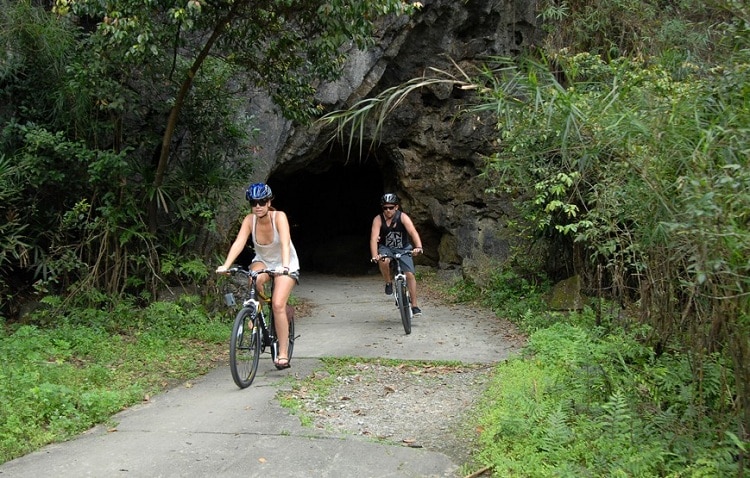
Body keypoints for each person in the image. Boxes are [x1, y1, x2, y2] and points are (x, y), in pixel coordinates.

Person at [216, 182, 300, 369]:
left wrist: (285, 267)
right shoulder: (249, 220)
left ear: (269, 201)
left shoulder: (279, 217)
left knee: (278, 304)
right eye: (254, 203)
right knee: (253, 277)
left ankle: (283, 352)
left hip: (286, 262)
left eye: (262, 202)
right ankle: (256, 312)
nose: (258, 206)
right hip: (263, 260)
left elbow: (285, 243)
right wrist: (226, 265)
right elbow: (239, 243)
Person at [369, 193, 423, 316]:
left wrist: (418, 247)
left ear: (396, 207)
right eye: (385, 208)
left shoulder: (402, 217)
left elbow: (412, 232)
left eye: (391, 207)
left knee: (409, 274)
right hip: (386, 248)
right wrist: (374, 255)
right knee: (384, 261)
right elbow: (373, 238)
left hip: (403, 248)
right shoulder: (378, 220)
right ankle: (388, 282)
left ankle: (414, 305)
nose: (388, 210)